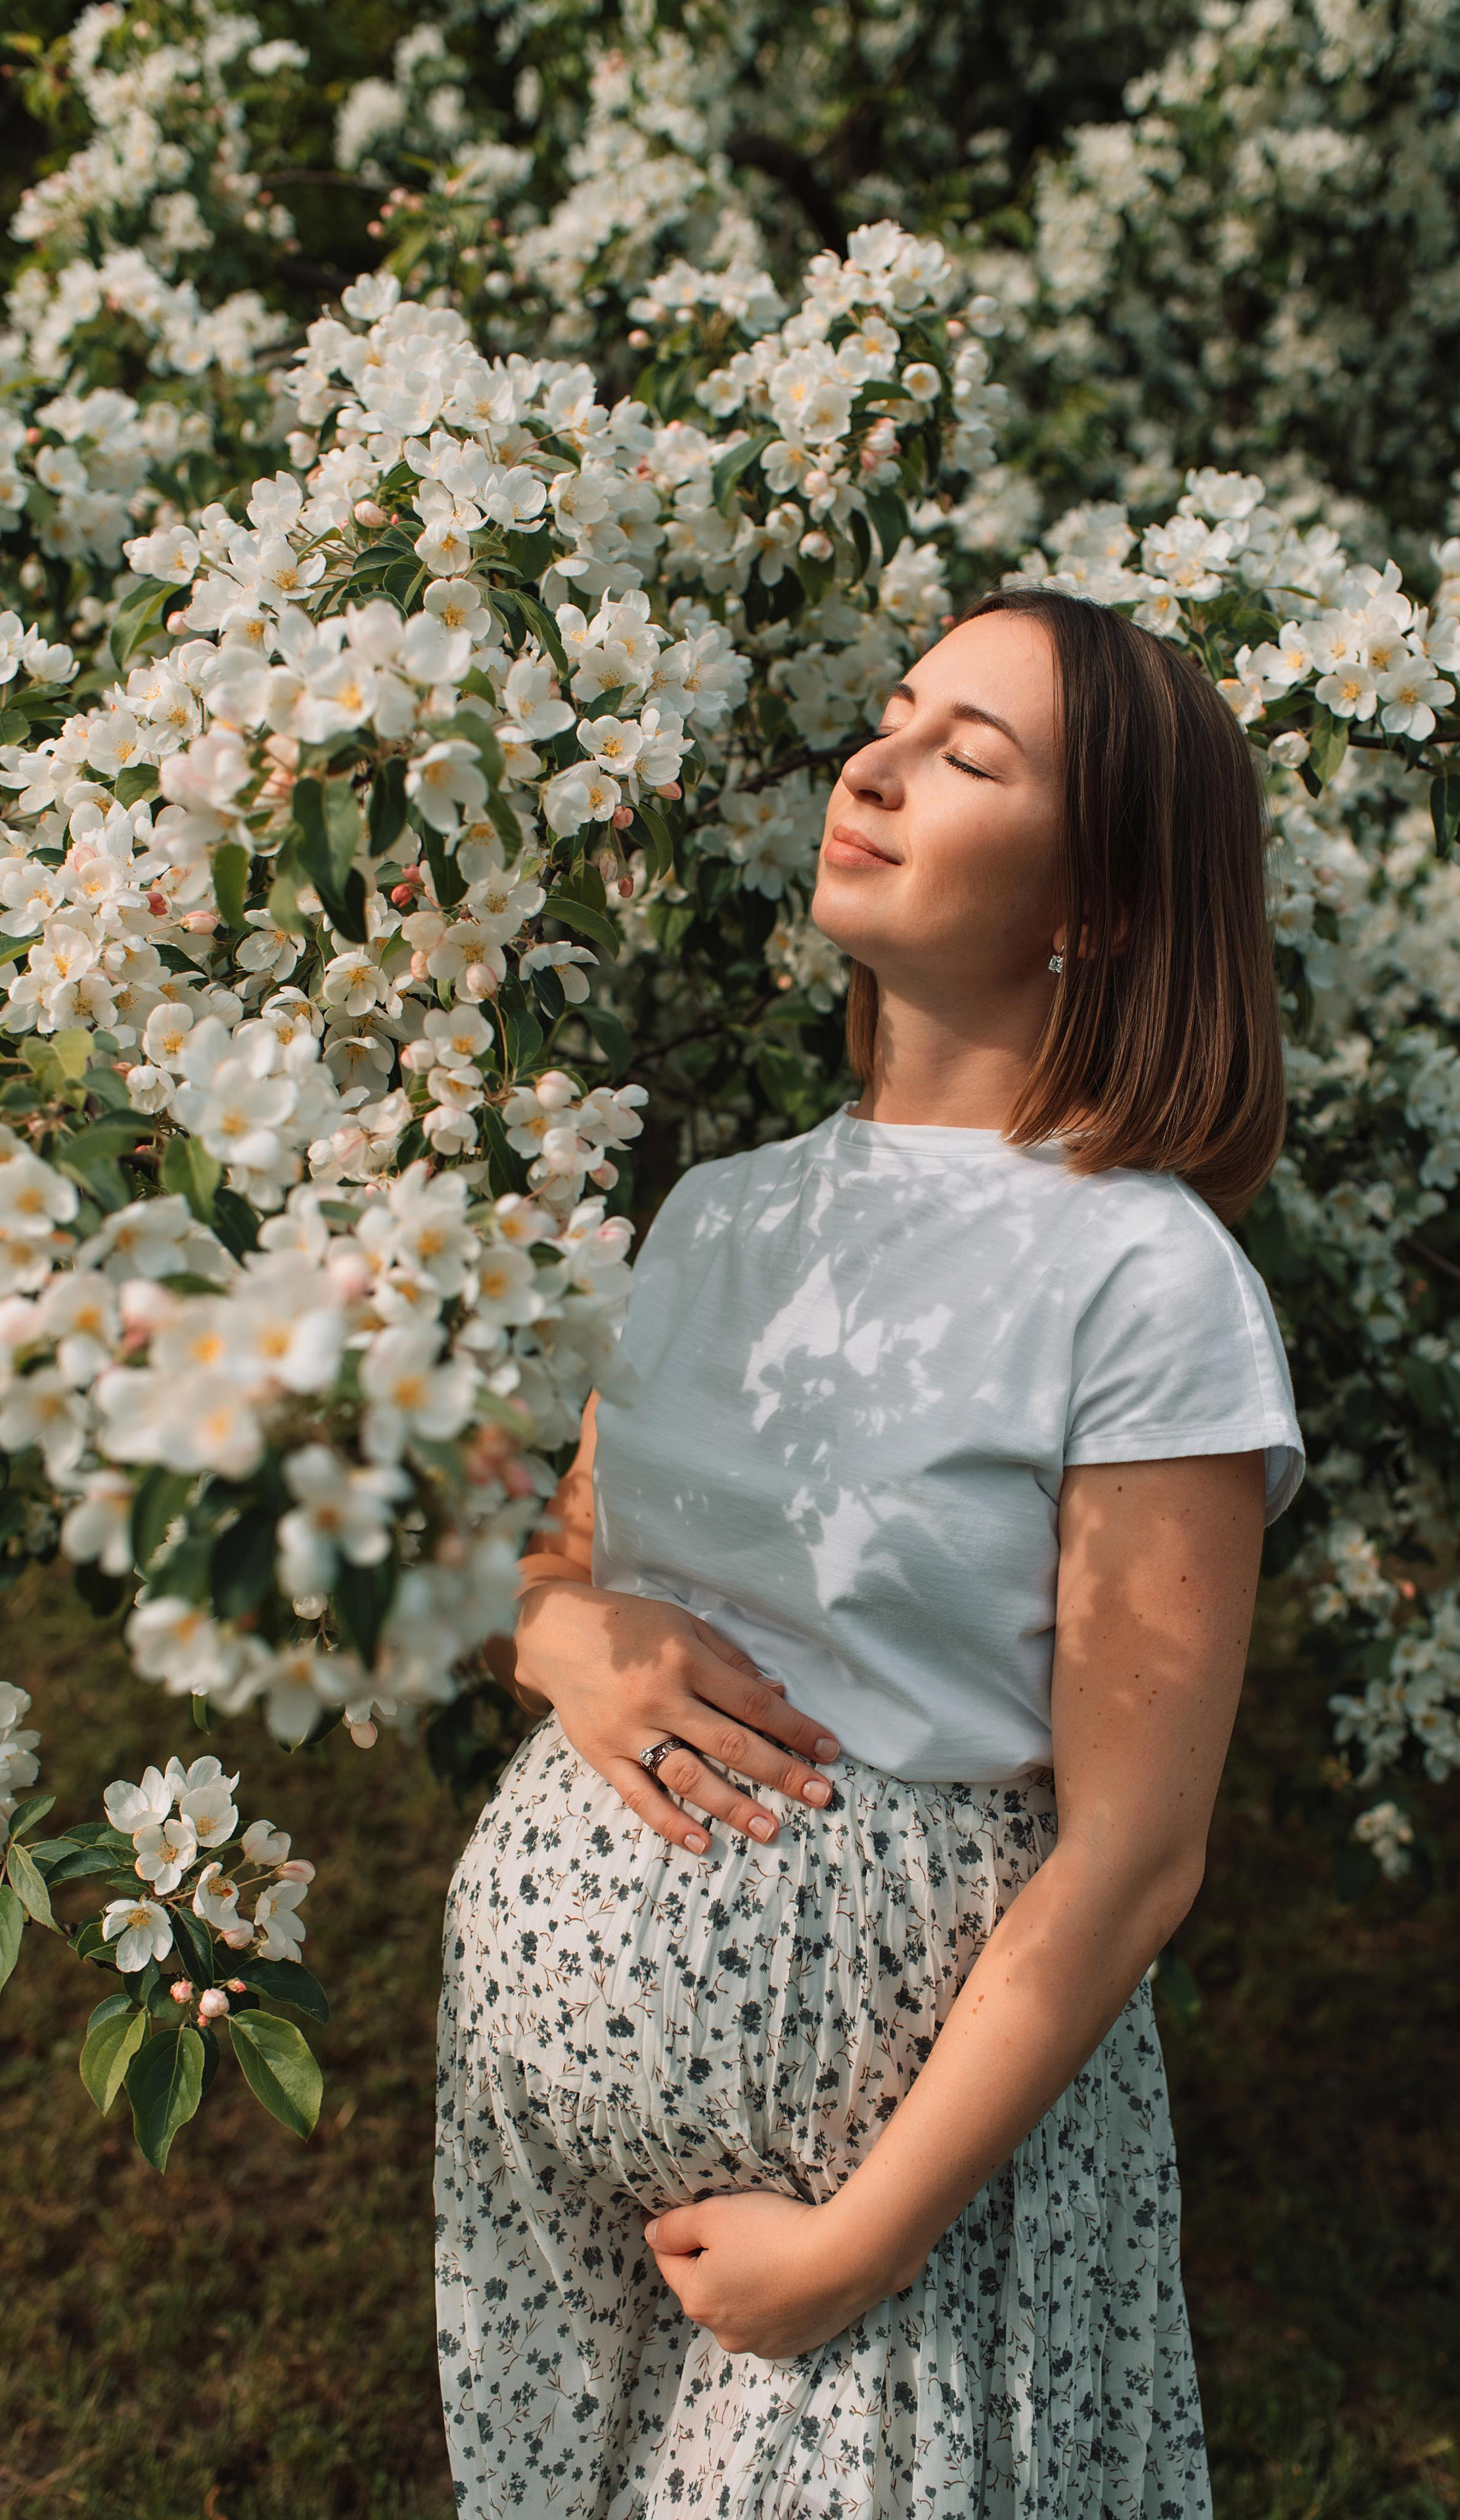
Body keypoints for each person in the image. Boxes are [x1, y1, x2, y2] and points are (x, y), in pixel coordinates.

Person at [434, 586, 1306, 2518]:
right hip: (549, 2181)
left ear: (1105, 906)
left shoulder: (1142, 1278)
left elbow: (1141, 1850)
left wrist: (863, 2239)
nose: (880, 763)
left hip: (887, 2196)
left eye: (970, 754)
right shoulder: (716, 1214)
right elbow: (559, 1564)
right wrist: (562, 1640)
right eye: (893, 717)